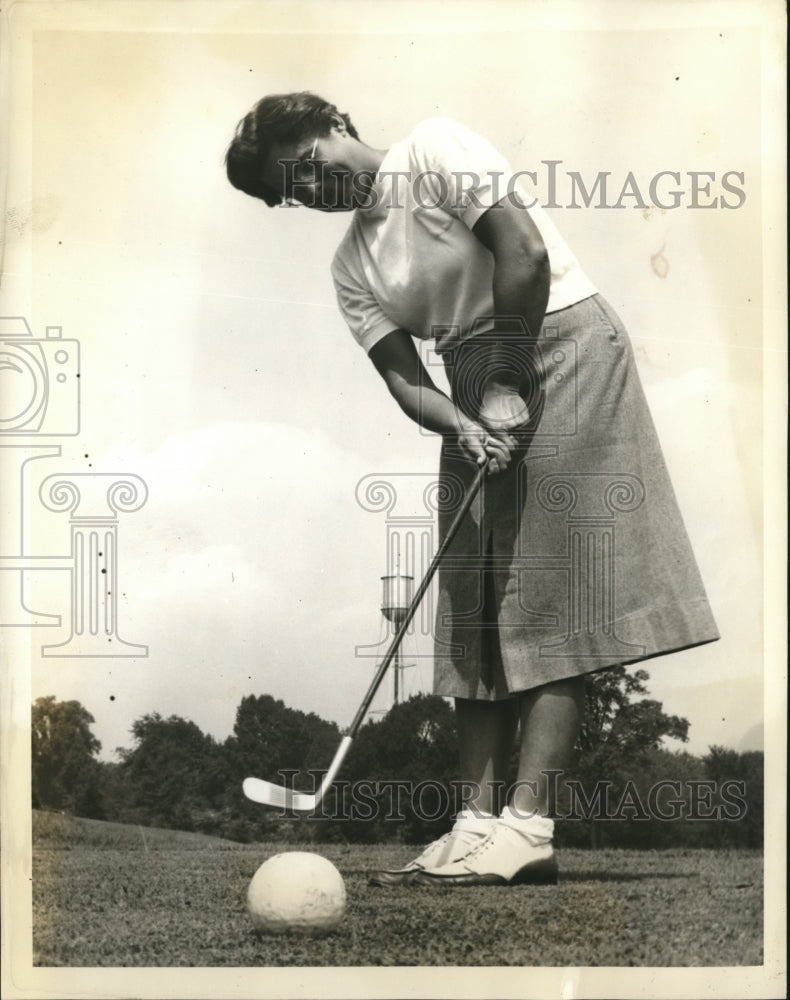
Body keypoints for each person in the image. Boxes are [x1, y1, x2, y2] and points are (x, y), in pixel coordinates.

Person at [225, 92, 719, 887]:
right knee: (470, 604)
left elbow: (522, 253)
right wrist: (460, 421)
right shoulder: (351, 265)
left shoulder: (432, 148)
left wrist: (508, 382)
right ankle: (475, 823)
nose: (317, 192)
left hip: (557, 342)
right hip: (469, 384)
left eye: (311, 167)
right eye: (296, 192)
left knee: (546, 590)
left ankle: (529, 827)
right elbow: (403, 379)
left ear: (337, 125)